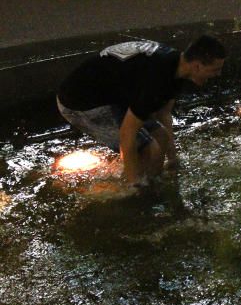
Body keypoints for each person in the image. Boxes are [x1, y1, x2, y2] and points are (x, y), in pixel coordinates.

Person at [56, 36, 226, 190]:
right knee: (148, 149)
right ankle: (126, 191)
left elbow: (163, 115)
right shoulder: (156, 79)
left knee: (161, 137)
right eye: (215, 70)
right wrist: (134, 185)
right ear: (197, 65)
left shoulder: (177, 66)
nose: (218, 75)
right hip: (80, 103)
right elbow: (127, 133)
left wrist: (173, 161)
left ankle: (151, 184)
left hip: (112, 96)